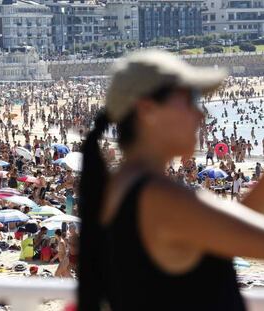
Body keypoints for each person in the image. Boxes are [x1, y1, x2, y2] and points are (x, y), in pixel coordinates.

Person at [78, 50, 264, 311]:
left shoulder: (123, 186)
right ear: (147, 109)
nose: (201, 115)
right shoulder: (161, 198)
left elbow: (226, 230)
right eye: (191, 100)